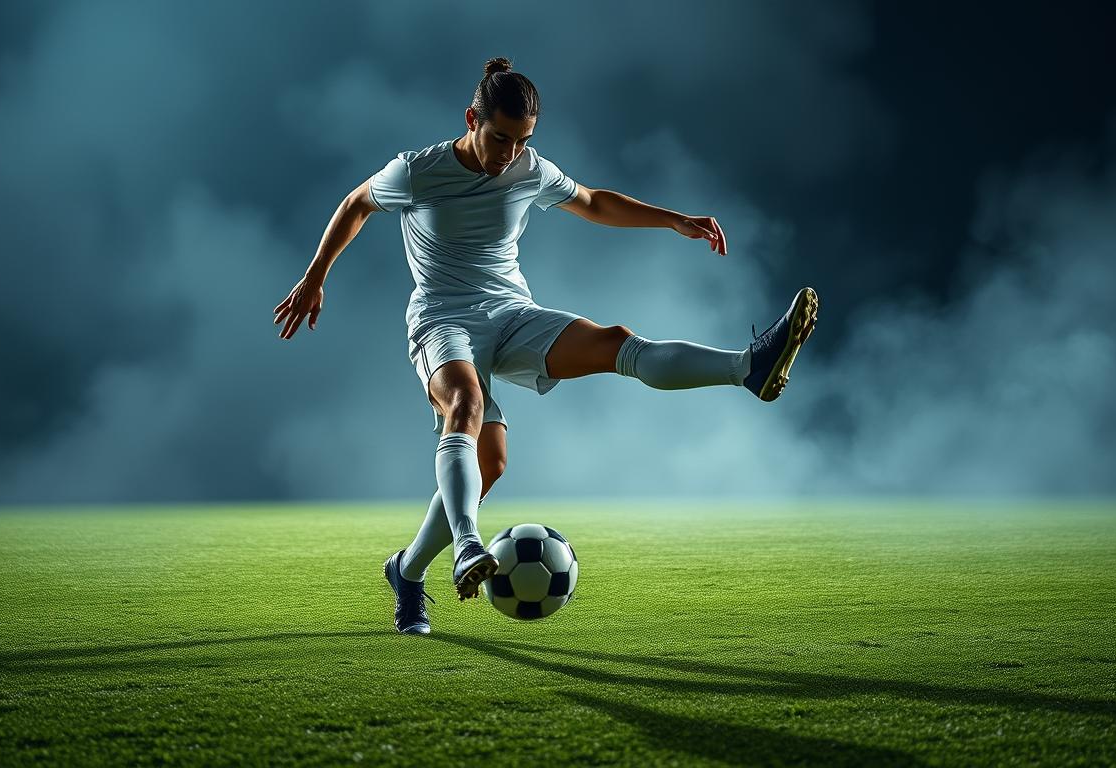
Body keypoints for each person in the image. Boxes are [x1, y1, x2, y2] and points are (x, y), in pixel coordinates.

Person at [273, 57, 818, 636]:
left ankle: (747, 367)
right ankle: (459, 550)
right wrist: (315, 276)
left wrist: (673, 220)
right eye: (500, 137)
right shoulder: (417, 171)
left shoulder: (528, 168)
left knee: (617, 344)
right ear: (472, 119)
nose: (509, 153)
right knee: (478, 434)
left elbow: (593, 202)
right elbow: (356, 203)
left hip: (511, 314)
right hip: (442, 320)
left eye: (522, 140)